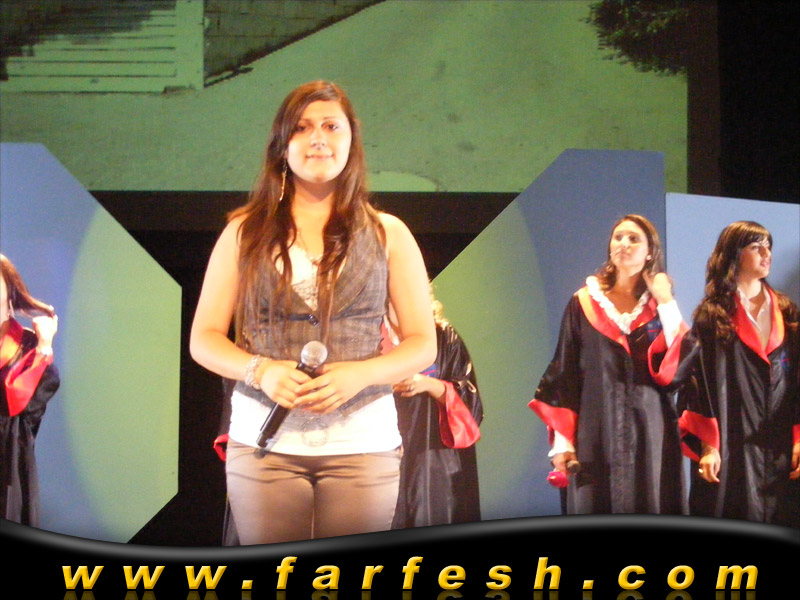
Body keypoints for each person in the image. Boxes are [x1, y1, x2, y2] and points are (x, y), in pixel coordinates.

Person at [189, 80, 436, 544]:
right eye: (302, 128)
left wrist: (361, 375)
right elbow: (204, 338)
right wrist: (260, 371)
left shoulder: (389, 234)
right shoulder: (244, 233)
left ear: (351, 141)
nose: (318, 138)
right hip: (265, 445)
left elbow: (424, 343)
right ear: (282, 145)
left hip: (363, 444)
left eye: (331, 126)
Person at [528, 214, 690, 515]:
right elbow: (564, 373)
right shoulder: (583, 303)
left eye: (634, 239)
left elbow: (680, 362)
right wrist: (563, 443)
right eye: (618, 237)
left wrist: (665, 300)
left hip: (650, 431)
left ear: (650, 252)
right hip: (595, 432)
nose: (624, 244)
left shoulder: (659, 307)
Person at [679, 221, 800, 526]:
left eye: (768, 246)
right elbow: (697, 384)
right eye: (756, 247)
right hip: (731, 442)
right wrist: (708, 444)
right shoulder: (713, 316)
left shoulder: (787, 313)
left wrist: (799, 437)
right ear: (734, 254)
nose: (766, 254)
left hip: (779, 444)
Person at [387, 296, 483, 528]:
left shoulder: (441, 336)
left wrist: (429, 385)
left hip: (431, 456)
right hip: (378, 453)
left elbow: (471, 403)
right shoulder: (366, 339)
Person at [1, 254, 60, 526]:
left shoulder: (27, 348)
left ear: (10, 292)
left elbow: (26, 412)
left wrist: (44, 347)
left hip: (8, 470)